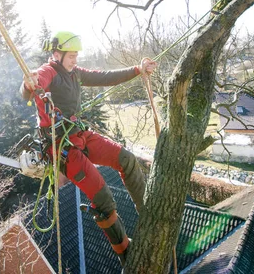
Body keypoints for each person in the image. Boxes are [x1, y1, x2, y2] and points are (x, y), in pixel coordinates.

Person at [20, 31, 157, 264]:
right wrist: (27, 84)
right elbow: (31, 87)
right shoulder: (49, 71)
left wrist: (137, 69)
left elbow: (105, 76)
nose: (75, 59)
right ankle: (125, 252)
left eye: (76, 55)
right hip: (62, 148)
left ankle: (147, 213)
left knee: (127, 159)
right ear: (57, 53)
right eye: (71, 55)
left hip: (79, 134)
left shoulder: (76, 74)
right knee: (102, 196)